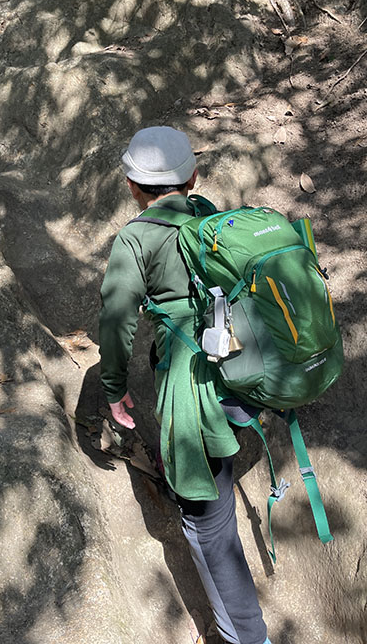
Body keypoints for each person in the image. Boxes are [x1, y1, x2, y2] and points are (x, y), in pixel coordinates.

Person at [99, 126, 271, 644]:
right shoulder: (210, 215)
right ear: (193, 178)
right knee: (216, 498)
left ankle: (245, 636)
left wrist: (113, 386)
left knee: (206, 523)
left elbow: (116, 320)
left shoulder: (135, 238)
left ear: (132, 186)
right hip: (242, 373)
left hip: (192, 389)